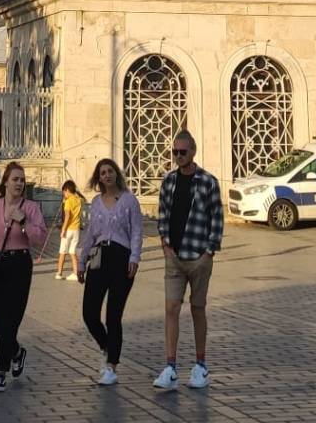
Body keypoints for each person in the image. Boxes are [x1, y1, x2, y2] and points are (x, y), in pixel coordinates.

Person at [153, 130, 223, 391]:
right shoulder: (169, 181)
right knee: (171, 309)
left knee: (197, 309)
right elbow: (163, 214)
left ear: (193, 152)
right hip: (174, 257)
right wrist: (164, 245)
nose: (179, 157)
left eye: (183, 152)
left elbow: (217, 217)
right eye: (175, 152)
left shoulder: (208, 182)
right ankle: (170, 367)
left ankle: (200, 366)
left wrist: (210, 252)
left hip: (199, 256)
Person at [0, 161, 48, 393]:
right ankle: (16, 352)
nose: (19, 184)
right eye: (15, 179)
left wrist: (23, 221)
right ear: (5, 181)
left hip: (20, 265)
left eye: (22, 180)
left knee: (11, 320)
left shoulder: (31, 208)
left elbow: (40, 240)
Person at [78, 159, 143, 386]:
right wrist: (81, 260)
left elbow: (136, 230)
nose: (107, 175)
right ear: (99, 177)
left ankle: (111, 366)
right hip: (99, 258)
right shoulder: (95, 203)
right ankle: (107, 346)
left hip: (121, 259)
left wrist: (135, 257)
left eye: (110, 171)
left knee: (113, 315)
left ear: (116, 173)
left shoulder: (129, 200)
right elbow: (90, 234)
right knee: (89, 313)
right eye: (102, 172)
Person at [56, 179, 85, 281]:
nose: (64, 194)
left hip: (68, 230)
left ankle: (59, 273)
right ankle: (76, 273)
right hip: (76, 230)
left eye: (64, 192)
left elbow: (67, 217)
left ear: (67, 190)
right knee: (72, 252)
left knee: (62, 251)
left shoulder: (68, 201)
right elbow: (82, 199)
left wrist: (63, 229)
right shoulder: (79, 200)